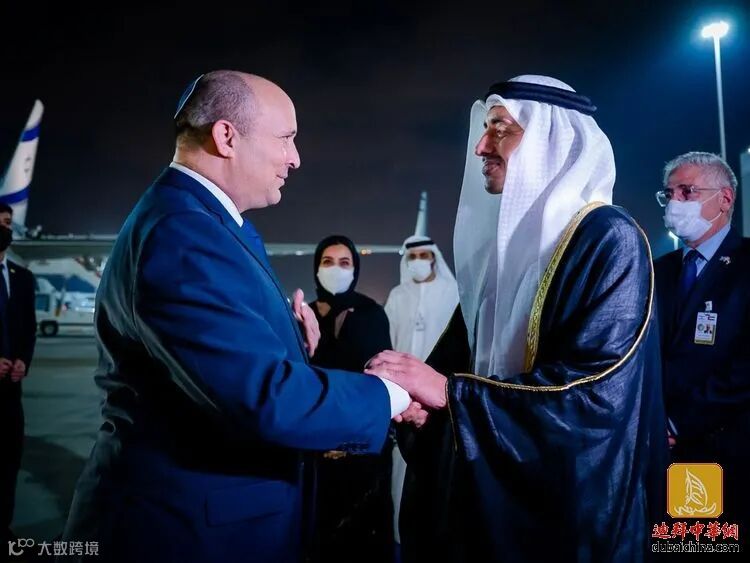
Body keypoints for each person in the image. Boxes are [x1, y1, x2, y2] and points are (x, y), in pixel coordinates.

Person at [62, 71, 409, 563]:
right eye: (286, 138)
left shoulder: (209, 222)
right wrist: (390, 394)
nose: (295, 157)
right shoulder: (184, 232)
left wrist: (291, 340)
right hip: (186, 534)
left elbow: (214, 360)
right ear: (226, 136)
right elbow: (263, 396)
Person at [367, 75, 667, 562]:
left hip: (568, 513)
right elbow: (454, 366)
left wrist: (451, 395)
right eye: (485, 130)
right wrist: (426, 407)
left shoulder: (609, 239)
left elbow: (595, 394)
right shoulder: (498, 256)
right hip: (488, 504)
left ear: (551, 139)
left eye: (501, 130)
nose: (482, 147)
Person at [654, 151, 750, 530]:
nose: (674, 202)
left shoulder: (747, 266)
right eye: (669, 193)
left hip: (725, 447)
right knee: (676, 542)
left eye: (687, 191)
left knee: (711, 542)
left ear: (724, 199)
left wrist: (679, 422)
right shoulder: (658, 271)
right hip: (660, 448)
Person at [308, 234, 394, 563]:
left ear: (355, 269)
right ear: (316, 268)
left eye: (344, 263)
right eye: (327, 262)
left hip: (361, 447)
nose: (336, 269)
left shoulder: (371, 313)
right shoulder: (304, 316)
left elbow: (380, 378)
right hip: (313, 443)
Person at [383, 234, 457, 553]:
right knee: (400, 470)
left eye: (423, 256)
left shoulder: (453, 293)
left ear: (434, 258)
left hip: (440, 398)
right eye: (412, 257)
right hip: (402, 398)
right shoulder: (397, 296)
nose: (417, 262)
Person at [0, 203, 36, 547]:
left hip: (11, 391)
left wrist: (24, 360)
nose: (4, 229)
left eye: (7, 223)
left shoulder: (22, 278)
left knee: (9, 461)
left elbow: (28, 329)